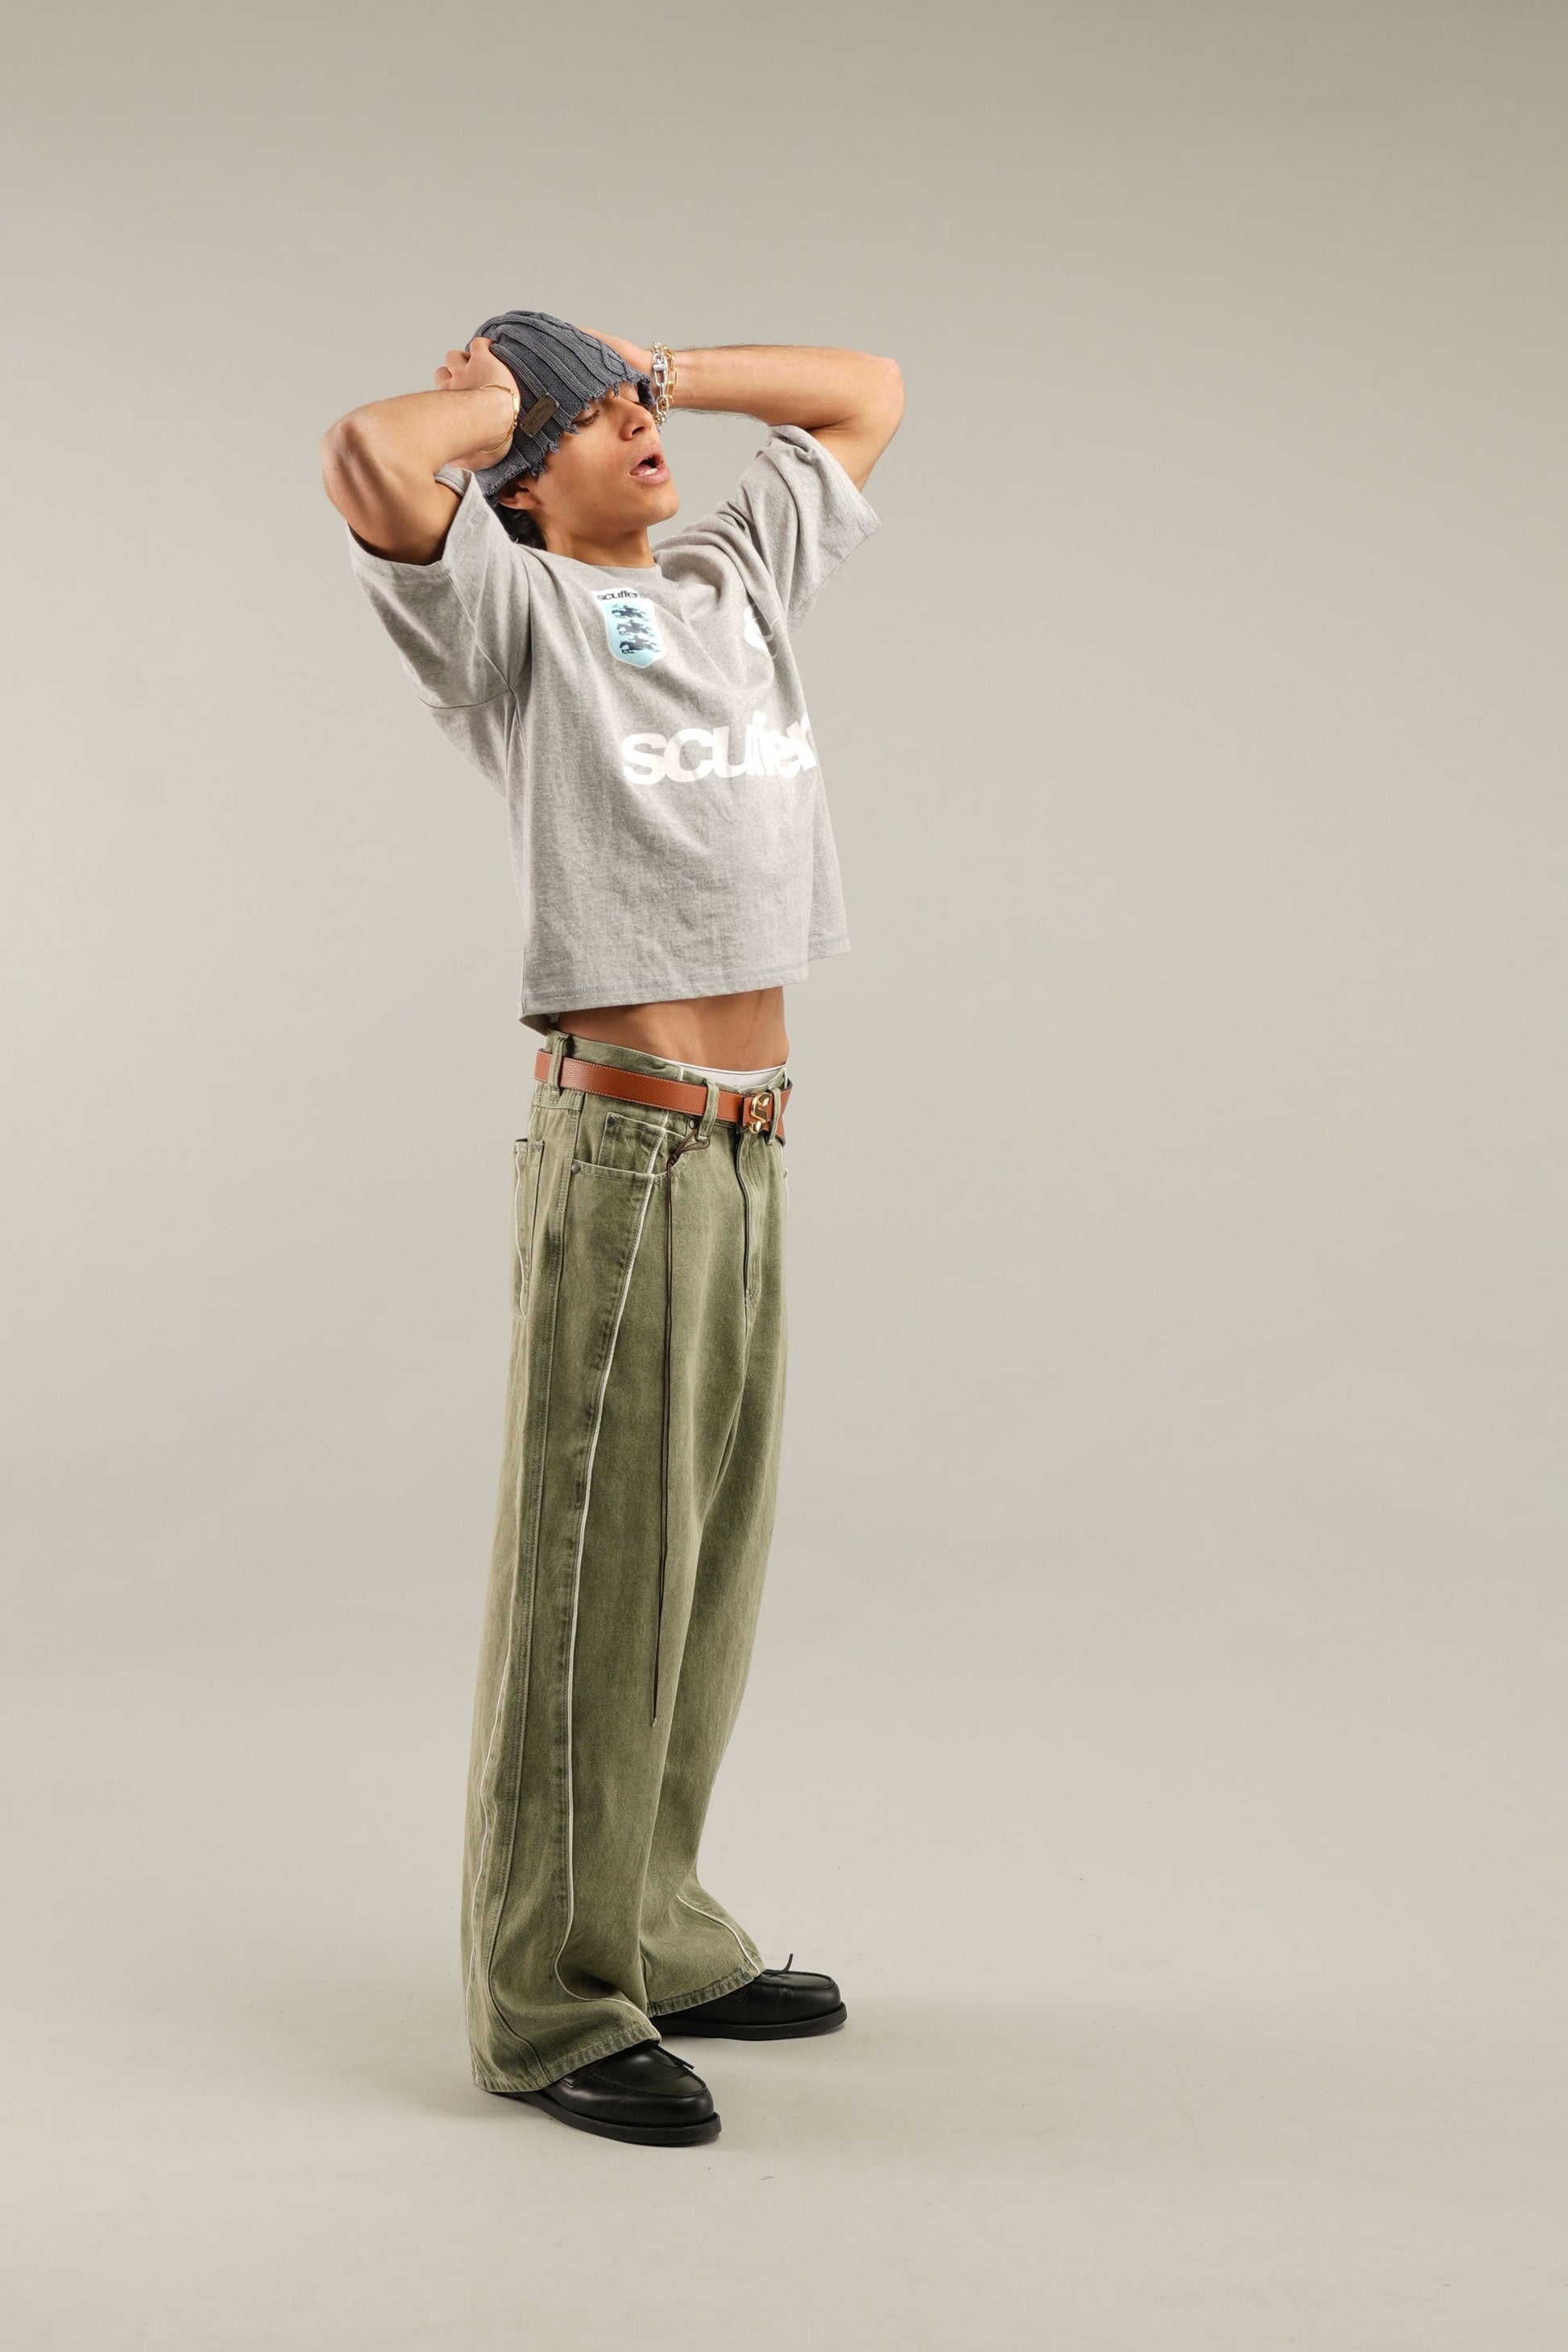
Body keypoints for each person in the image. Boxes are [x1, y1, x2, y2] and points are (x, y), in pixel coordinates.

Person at [321, 312, 902, 2145]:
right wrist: (508, 393)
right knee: (597, 1574)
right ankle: (551, 1999)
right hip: (631, 1148)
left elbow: (865, 392)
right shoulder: (514, 616)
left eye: (632, 404)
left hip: (751, 1143)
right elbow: (369, 454)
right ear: (515, 480)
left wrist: (654, 364)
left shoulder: (730, 584)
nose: (635, 425)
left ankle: (651, 1926)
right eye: (591, 420)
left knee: (701, 1565)